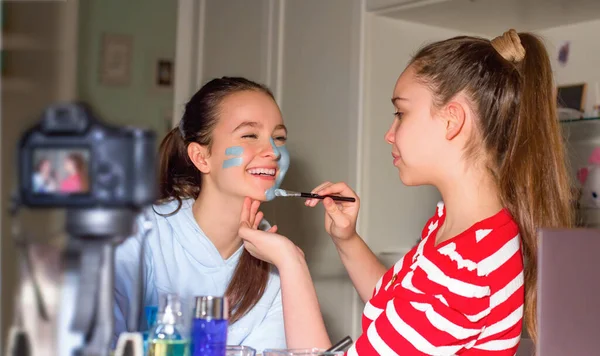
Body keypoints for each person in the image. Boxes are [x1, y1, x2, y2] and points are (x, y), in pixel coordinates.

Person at [238, 29, 574, 355]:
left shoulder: (467, 265)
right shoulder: (459, 232)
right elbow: (399, 309)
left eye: (401, 113)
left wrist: (289, 261)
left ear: (451, 120)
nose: (390, 133)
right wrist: (347, 240)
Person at [113, 77, 289, 351]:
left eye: (278, 138)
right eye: (249, 135)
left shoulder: (279, 261)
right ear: (201, 157)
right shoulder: (139, 232)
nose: (273, 152)